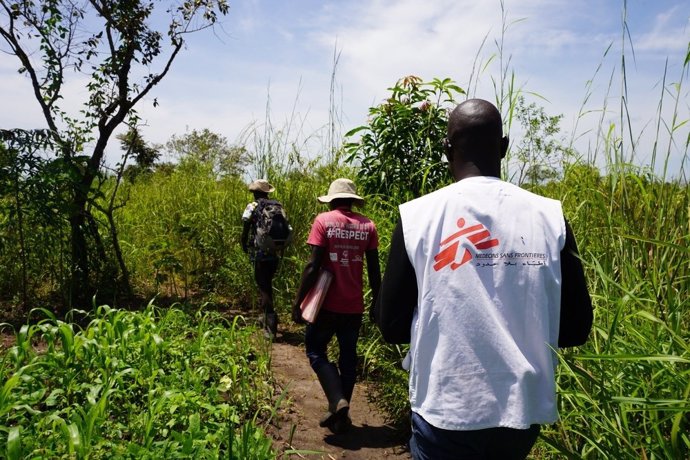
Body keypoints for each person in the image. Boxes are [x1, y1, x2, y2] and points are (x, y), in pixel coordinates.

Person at [374, 99, 593, 460]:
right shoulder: (549, 215)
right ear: (504, 147)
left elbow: (391, 325)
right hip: (521, 413)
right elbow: (576, 327)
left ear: (447, 149)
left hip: (446, 408)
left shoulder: (418, 216)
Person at [292, 178, 381, 434]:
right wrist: (376, 302)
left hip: (326, 306)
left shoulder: (324, 221)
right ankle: (341, 414)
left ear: (331, 199)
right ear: (353, 200)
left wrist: (298, 302)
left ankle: (336, 400)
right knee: (348, 358)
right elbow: (374, 271)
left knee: (316, 351)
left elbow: (313, 266)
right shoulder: (368, 226)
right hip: (354, 306)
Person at [241, 179, 282, 337]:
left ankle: (270, 325)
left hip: (259, 253)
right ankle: (265, 316)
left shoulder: (252, 206)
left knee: (263, 286)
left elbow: (245, 228)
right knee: (268, 284)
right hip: (274, 251)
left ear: (255, 193)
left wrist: (244, 243)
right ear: (267, 192)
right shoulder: (277, 206)